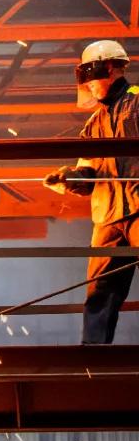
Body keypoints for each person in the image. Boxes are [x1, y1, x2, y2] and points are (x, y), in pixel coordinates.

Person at [44, 40, 139, 344]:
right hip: (109, 217)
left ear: (110, 68)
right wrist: (67, 178)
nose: (88, 85)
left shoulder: (138, 102)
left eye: (91, 76)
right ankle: (93, 355)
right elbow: (87, 177)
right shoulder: (93, 125)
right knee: (100, 290)